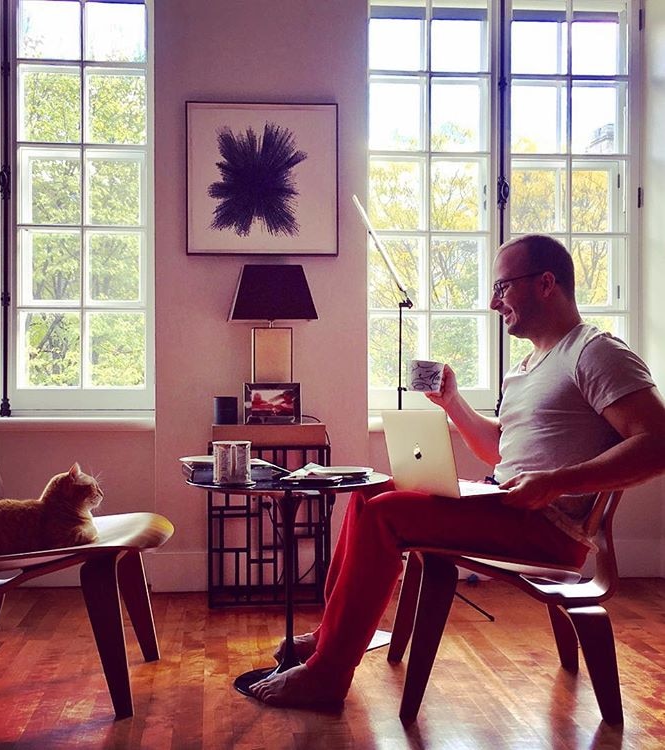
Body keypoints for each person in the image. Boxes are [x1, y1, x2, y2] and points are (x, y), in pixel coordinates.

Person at [249, 233, 665, 709]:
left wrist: (555, 483)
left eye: (503, 287)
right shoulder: (528, 365)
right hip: (507, 505)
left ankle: (327, 675)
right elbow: (500, 451)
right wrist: (453, 404)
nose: (493, 302)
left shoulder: (596, 352)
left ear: (546, 283)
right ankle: (332, 635)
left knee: (386, 514)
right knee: (370, 493)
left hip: (549, 527)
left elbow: (657, 445)